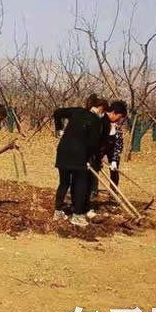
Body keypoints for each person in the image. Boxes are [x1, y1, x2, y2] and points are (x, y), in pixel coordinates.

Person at [53, 94, 106, 227]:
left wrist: (59, 129)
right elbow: (93, 143)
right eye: (103, 111)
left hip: (63, 152)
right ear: (99, 108)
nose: (103, 114)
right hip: (79, 155)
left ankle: (58, 211)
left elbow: (57, 112)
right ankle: (77, 215)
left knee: (64, 182)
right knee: (80, 184)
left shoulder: (77, 111)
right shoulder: (95, 120)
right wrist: (92, 159)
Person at [101, 100, 128, 187]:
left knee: (114, 170)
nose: (119, 119)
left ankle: (113, 189)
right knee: (94, 168)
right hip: (99, 147)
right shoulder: (100, 121)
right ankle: (93, 191)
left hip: (112, 149)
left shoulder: (117, 127)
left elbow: (119, 144)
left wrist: (114, 160)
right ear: (114, 113)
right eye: (119, 117)